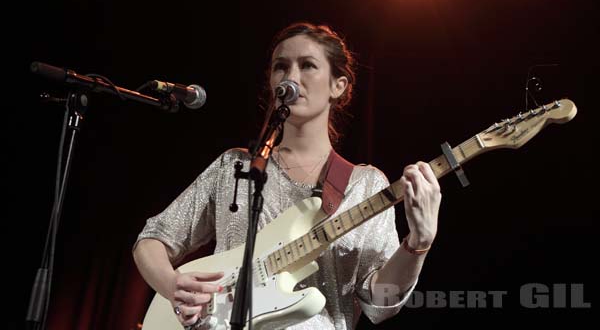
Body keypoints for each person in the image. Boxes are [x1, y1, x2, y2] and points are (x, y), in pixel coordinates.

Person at [132, 22, 442, 329]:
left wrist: (418, 243)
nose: (291, 78)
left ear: (339, 86)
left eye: (308, 65)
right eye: (281, 67)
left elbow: (380, 304)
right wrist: (173, 286)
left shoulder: (366, 184)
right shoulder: (235, 166)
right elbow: (152, 240)